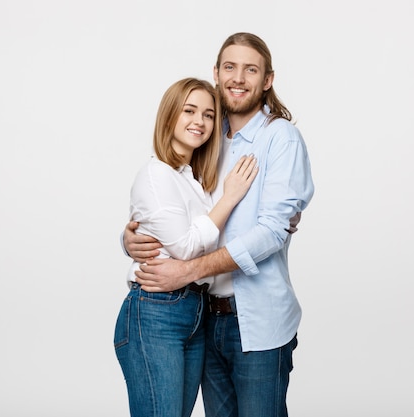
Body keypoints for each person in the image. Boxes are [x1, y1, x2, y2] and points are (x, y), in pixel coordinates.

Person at [123, 32, 314, 417]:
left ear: (267, 80)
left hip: (257, 322)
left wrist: (188, 270)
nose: (238, 78)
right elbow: (172, 203)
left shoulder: (281, 139)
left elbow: (273, 231)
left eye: (250, 69)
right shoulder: (207, 135)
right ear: (216, 72)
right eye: (230, 67)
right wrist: (132, 237)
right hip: (204, 319)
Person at [114, 77, 259, 417]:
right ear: (169, 116)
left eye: (209, 115)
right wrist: (231, 196)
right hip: (156, 311)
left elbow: (210, 235)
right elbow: (186, 247)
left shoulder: (193, 180)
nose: (200, 121)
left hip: (194, 312)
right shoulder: (157, 174)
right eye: (189, 111)